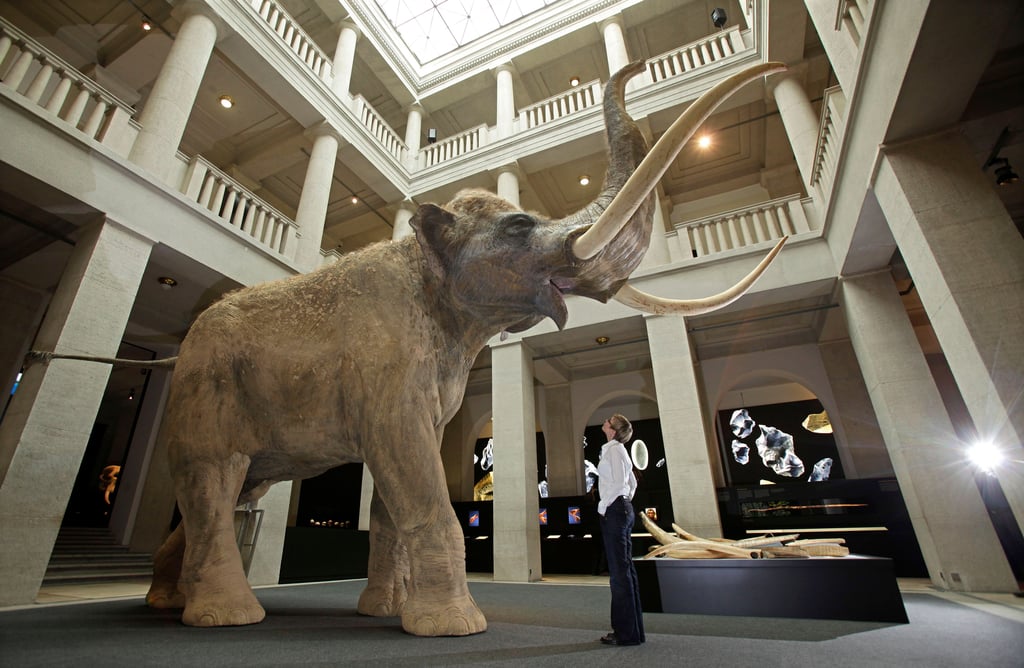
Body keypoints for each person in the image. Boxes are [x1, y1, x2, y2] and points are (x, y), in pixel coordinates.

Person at [597, 414, 645, 646]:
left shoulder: (615, 451)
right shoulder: (616, 450)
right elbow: (632, 483)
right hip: (621, 508)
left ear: (613, 429)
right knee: (625, 572)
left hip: (615, 510)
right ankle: (633, 632)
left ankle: (625, 633)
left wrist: (605, 507)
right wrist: (625, 499)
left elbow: (618, 484)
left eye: (609, 420)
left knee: (619, 575)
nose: (605, 421)